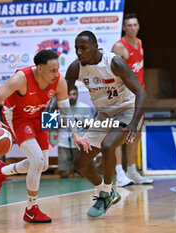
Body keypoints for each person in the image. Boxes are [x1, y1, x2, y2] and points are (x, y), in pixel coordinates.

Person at [0, 49, 90, 223]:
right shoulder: (21, 78)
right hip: (17, 117)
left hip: (38, 116)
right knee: (37, 161)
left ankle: (1, 171)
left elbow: (65, 112)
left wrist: (76, 135)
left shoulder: (59, 82)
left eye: (57, 69)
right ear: (39, 69)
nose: (56, 74)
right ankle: (31, 209)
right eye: (52, 70)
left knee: (43, 164)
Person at [65, 30, 147, 218]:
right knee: (80, 162)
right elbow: (61, 95)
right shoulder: (75, 67)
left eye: (83, 48)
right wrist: (46, 113)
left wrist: (134, 122)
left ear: (95, 47)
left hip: (127, 110)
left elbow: (141, 92)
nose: (78, 52)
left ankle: (105, 194)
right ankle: (107, 191)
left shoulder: (114, 62)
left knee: (108, 145)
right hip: (104, 115)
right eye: (76, 48)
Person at [111, 13, 153, 186]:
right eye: (129, 25)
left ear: (138, 26)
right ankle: (119, 173)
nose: (132, 28)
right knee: (119, 135)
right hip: (123, 97)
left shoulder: (140, 43)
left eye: (135, 25)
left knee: (135, 134)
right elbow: (112, 74)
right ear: (124, 28)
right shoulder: (119, 47)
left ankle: (132, 171)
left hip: (138, 95)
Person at [58, 85, 95, 178]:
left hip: (81, 142)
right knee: (63, 173)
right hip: (64, 142)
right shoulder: (60, 107)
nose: (71, 97)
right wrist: (66, 122)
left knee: (83, 172)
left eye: (74, 94)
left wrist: (79, 123)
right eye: (69, 94)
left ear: (77, 94)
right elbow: (52, 124)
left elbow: (91, 125)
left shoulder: (85, 107)